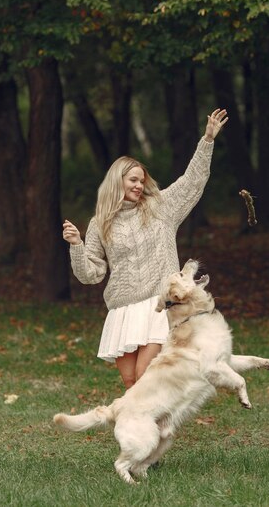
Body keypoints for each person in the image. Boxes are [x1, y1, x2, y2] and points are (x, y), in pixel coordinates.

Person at [63, 108, 228, 389]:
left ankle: (155, 428)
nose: (140, 186)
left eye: (142, 180)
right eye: (133, 180)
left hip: (157, 306)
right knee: (130, 380)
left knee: (145, 377)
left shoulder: (160, 208)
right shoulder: (100, 222)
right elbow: (90, 274)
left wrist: (207, 141)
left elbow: (191, 183)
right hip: (123, 309)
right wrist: (77, 246)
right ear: (118, 181)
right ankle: (150, 430)